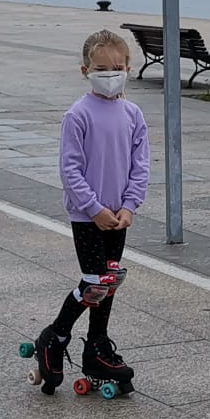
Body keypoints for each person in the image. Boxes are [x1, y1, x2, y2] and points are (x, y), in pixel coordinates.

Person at [30, 29, 150, 394]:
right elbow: (70, 170)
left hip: (119, 215)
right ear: (85, 70)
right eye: (101, 68)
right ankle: (54, 336)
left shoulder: (132, 114)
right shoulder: (78, 115)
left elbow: (140, 165)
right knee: (95, 282)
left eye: (116, 67)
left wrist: (129, 206)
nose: (110, 74)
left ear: (128, 68)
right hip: (88, 216)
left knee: (109, 281)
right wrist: (94, 208)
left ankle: (97, 344)